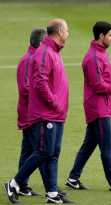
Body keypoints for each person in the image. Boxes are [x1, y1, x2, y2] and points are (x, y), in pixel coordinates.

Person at [4, 18, 71, 204]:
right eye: (66, 30)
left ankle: (51, 194)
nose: (68, 34)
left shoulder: (55, 53)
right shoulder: (45, 53)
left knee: (52, 152)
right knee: (43, 151)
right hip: (46, 113)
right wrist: (54, 103)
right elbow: (40, 82)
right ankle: (14, 183)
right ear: (58, 31)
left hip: (56, 114)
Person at [65, 21, 111, 193]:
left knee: (88, 145)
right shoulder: (93, 57)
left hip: (101, 107)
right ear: (101, 36)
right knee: (107, 146)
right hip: (98, 109)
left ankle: (73, 178)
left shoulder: (101, 54)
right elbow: (98, 85)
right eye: (110, 35)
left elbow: (109, 76)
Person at [16, 28, 47, 196]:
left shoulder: (33, 59)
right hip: (31, 114)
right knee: (41, 151)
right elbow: (25, 88)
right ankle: (51, 189)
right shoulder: (29, 61)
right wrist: (45, 94)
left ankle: (21, 185)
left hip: (32, 112)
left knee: (28, 150)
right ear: (41, 43)